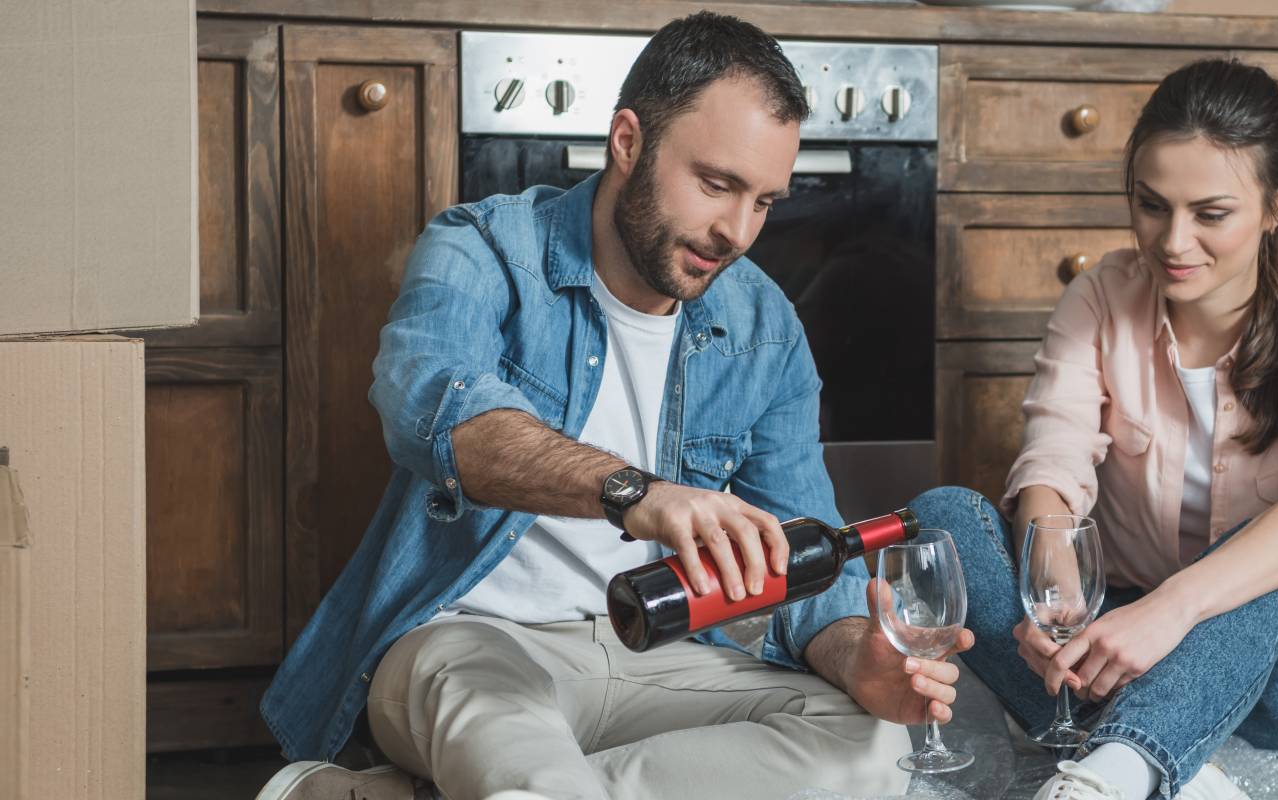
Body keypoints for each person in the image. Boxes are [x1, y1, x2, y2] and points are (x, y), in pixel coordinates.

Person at [254, 13, 971, 800]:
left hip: (661, 650)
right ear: (627, 141)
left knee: (870, 751)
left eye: (765, 201)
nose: (737, 231)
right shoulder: (483, 249)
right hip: (471, 643)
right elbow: (435, 410)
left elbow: (802, 560)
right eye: (716, 184)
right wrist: (637, 495)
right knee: (505, 729)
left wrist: (851, 656)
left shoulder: (766, 327)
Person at [908, 58, 1278, 800]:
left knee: (1264, 558)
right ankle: (1162, 754)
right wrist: (1058, 606)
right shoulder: (1103, 297)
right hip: (1119, 643)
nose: (1173, 241)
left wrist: (1174, 610)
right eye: (1151, 205)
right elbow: (1054, 459)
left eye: (1210, 214)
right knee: (941, 518)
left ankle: (1108, 778)